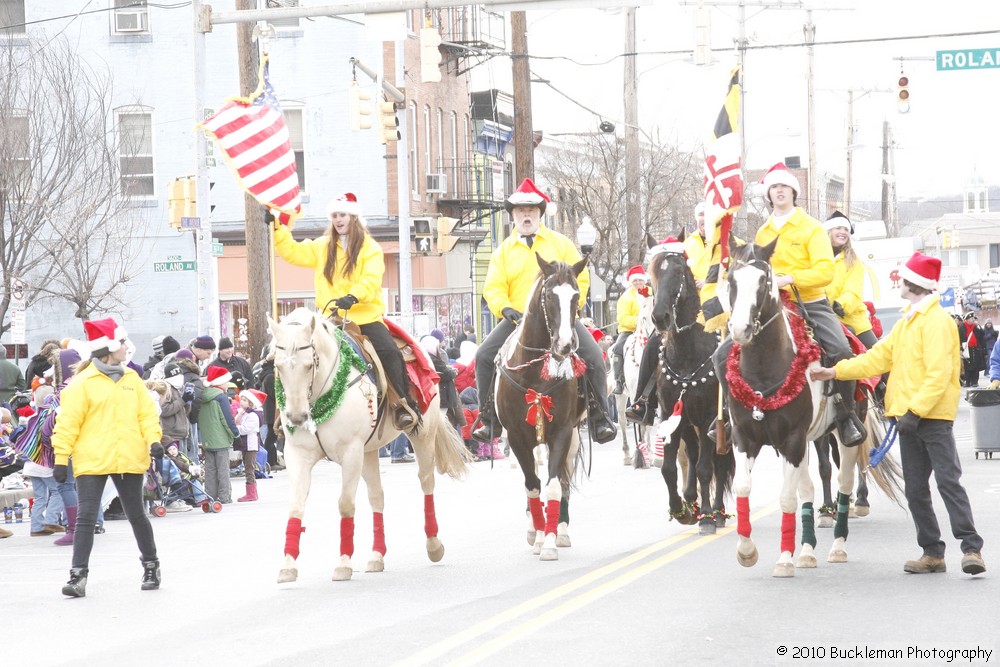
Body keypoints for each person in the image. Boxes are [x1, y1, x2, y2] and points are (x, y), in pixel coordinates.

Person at [810, 253, 985, 576]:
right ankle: (932, 553)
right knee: (916, 489)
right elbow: (875, 360)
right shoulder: (907, 322)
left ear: (913, 284)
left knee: (949, 483)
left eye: (901, 280)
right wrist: (833, 372)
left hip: (930, 419)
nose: (898, 285)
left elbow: (938, 373)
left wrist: (915, 412)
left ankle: (971, 548)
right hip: (908, 419)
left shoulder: (937, 322)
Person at [712, 162, 865, 447]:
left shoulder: (812, 228)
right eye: (774, 187)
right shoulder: (762, 233)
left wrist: (789, 279)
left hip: (810, 303)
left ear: (793, 192)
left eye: (784, 186)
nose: (779, 191)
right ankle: (727, 412)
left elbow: (825, 272)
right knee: (721, 355)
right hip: (769, 307)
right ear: (768, 195)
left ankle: (846, 416)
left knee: (842, 350)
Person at [472, 178, 616, 444]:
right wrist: (504, 308)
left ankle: (600, 418)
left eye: (531, 210)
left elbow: (580, 278)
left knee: (594, 355)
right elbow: (492, 287)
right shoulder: (503, 252)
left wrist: (572, 304)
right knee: (482, 356)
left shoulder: (560, 244)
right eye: (520, 211)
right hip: (519, 321)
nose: (526, 215)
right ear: (513, 215)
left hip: (560, 318)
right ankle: (489, 418)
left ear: (539, 213)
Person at [273, 192, 419, 431]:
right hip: (329, 318)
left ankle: (401, 403)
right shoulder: (322, 246)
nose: (338, 220)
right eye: (334, 216)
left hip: (363, 317)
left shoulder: (369, 248)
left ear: (353, 217)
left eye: (343, 215)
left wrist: (354, 296)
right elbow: (292, 252)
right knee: (292, 355)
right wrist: (278, 228)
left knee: (390, 352)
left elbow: (371, 279)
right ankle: (285, 412)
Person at [51, 317, 164, 597]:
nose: (126, 348)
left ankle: (151, 566)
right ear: (109, 347)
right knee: (87, 518)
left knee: (137, 514)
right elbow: (67, 422)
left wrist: (154, 440)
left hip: (128, 456)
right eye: (122, 343)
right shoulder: (82, 383)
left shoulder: (132, 379)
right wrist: (61, 459)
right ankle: (77, 577)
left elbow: (146, 414)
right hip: (92, 459)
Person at [824, 211, 878, 350]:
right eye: (838, 228)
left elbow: (853, 290)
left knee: (882, 359)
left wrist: (840, 305)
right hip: (822, 319)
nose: (843, 232)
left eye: (846, 229)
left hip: (852, 320)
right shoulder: (817, 258)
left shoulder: (853, 261)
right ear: (828, 231)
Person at [197, 366, 240, 504]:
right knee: (223, 470)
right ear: (220, 382)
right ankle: (225, 497)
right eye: (226, 381)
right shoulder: (221, 397)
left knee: (210, 470)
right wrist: (235, 434)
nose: (228, 384)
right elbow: (227, 419)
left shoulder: (203, 396)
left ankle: (210, 496)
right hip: (220, 438)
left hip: (207, 438)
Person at [611, 265, 650, 395]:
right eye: (635, 281)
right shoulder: (625, 297)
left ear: (644, 280)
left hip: (650, 329)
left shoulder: (652, 292)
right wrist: (639, 321)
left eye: (640, 280)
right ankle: (618, 380)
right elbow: (622, 318)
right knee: (617, 348)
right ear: (631, 282)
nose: (638, 283)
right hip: (629, 331)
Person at [234, 388, 267, 502]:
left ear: (251, 403)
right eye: (241, 399)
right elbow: (237, 422)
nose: (241, 401)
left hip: (250, 444)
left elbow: (245, 429)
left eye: (244, 400)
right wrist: (239, 415)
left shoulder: (253, 416)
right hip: (246, 444)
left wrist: (235, 429)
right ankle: (251, 492)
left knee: (249, 468)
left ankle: (251, 493)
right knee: (247, 467)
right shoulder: (245, 414)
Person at [682, 201, 709, 286]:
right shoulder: (686, 245)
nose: (705, 218)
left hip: (720, 298)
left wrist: (711, 282)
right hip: (694, 298)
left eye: (709, 214)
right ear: (696, 218)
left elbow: (740, 277)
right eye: (701, 214)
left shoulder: (730, 244)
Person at [958, 312, 985, 388]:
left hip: (975, 348)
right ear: (967, 319)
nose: (973, 320)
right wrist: (960, 349)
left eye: (973, 318)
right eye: (971, 318)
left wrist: (978, 326)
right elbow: (959, 339)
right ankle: (968, 381)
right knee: (967, 365)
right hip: (966, 348)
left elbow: (982, 335)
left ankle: (975, 381)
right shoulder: (962, 327)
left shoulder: (976, 327)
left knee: (975, 365)